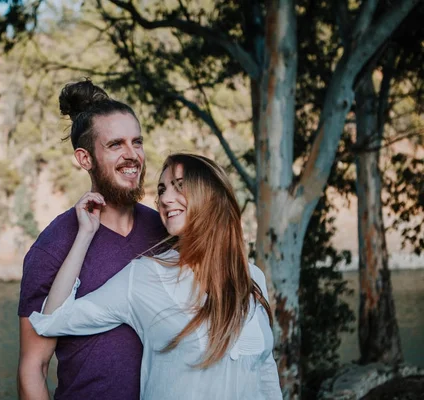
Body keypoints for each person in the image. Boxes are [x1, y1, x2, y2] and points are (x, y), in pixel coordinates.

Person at [29, 153, 283, 399]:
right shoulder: (145, 276)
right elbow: (52, 320)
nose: (165, 199)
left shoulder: (251, 277)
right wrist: (85, 234)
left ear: (212, 197)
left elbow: (265, 375)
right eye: (162, 190)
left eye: (179, 187)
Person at [17, 79, 167, 400]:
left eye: (137, 142)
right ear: (85, 159)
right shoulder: (53, 245)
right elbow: (34, 367)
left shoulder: (164, 231)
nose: (132, 155)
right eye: (115, 145)